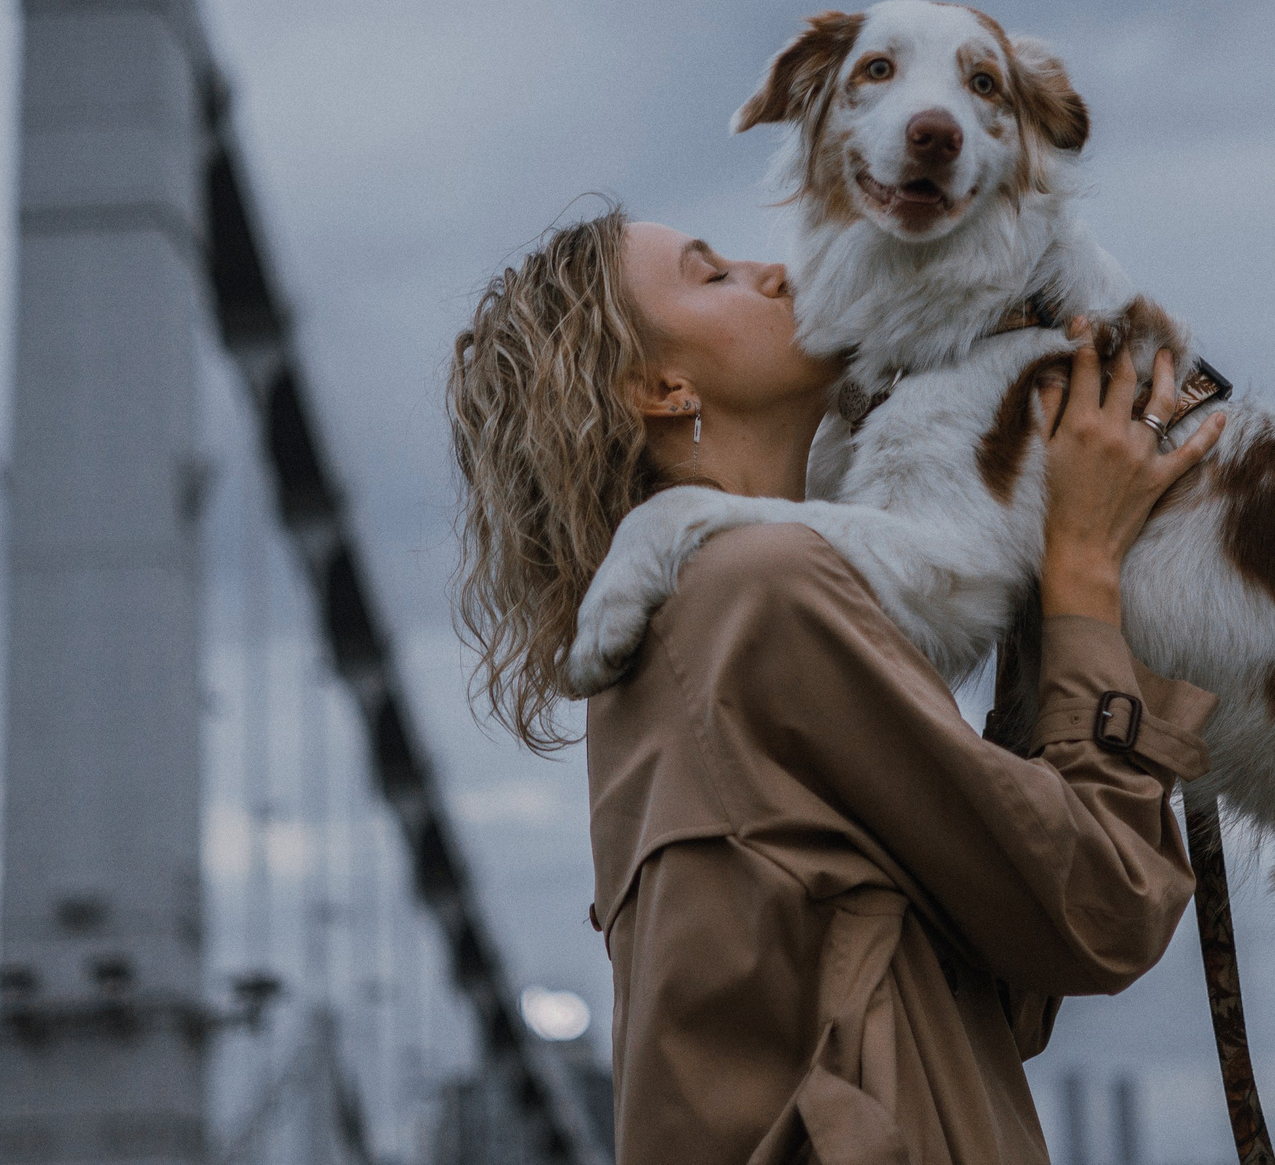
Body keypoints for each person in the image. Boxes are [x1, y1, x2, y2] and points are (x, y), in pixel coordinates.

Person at [446, 207, 1229, 1164]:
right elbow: (1098, 910)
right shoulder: (764, 594)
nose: (773, 271)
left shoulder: (669, 640)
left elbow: (995, 991)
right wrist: (1085, 570)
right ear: (660, 387)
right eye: (713, 275)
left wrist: (1035, 544)